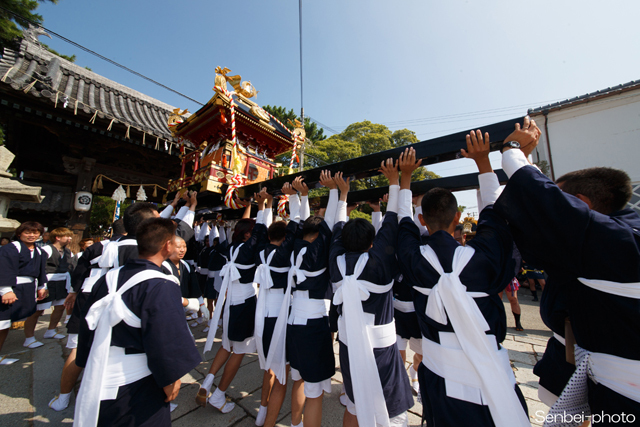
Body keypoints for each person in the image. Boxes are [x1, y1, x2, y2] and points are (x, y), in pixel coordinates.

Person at [493, 117, 640, 422]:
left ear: (581, 205)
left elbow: (549, 207)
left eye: (564, 201)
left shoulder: (623, 243)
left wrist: (513, 150)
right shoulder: (613, 236)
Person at [398, 138, 530, 427]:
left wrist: (404, 177)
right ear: (458, 217)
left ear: (423, 219)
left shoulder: (414, 260)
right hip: (491, 374)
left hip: (437, 375)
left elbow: (402, 223)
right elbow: (496, 218)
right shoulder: (481, 260)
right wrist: (484, 161)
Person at [74, 217, 201, 426]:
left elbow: (87, 324)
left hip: (98, 371)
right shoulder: (161, 283)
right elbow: (165, 337)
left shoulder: (109, 277)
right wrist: (170, 377)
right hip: (137, 380)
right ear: (167, 245)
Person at [48, 205, 159, 412]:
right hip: (123, 299)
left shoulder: (98, 247)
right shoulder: (144, 247)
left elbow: (80, 271)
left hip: (91, 294)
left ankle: (63, 397)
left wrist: (73, 291)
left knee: (78, 347)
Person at [330, 160, 414, 427]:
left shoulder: (335, 262)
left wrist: (343, 195)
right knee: (393, 410)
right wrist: (394, 180)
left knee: (355, 404)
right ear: (371, 242)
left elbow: (335, 229)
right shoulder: (378, 261)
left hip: (347, 344)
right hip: (381, 349)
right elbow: (391, 224)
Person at [198, 192, 268, 413]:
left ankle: (208, 381)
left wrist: (255, 206)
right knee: (239, 351)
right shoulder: (248, 250)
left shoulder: (232, 247)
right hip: (244, 303)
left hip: (230, 302)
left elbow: (251, 229)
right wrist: (262, 205)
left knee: (226, 345)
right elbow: (260, 231)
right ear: (248, 235)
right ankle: (218, 395)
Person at [281, 171, 338, 427]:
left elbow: (298, 222)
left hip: (294, 320)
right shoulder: (318, 249)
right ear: (318, 234)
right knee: (314, 392)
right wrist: (335, 191)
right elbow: (332, 222)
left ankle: (295, 424)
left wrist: (299, 197)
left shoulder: (293, 245)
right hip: (313, 323)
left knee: (299, 379)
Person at [252, 184, 297, 427]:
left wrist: (264, 206)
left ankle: (262, 410)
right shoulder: (284, 255)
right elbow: (295, 230)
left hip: (264, 312)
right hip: (282, 314)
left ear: (269, 237)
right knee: (282, 374)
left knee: (268, 368)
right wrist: (296, 199)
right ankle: (269, 420)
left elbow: (258, 231)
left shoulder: (260, 252)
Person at [0, 222, 48, 364]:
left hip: (28, 287)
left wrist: (42, 286)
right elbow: (4, 268)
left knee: (11, 321)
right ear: (20, 233)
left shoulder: (40, 251)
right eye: (28, 232)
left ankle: (28, 339)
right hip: (11, 288)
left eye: (35, 232)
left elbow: (41, 271)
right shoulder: (10, 249)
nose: (31, 235)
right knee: (2, 322)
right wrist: (6, 289)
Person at [23, 227, 77, 347]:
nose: (70, 238)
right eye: (67, 236)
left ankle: (51, 330)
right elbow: (37, 267)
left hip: (63, 281)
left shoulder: (68, 251)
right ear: (58, 237)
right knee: (38, 310)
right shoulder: (46, 249)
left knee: (60, 307)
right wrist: (41, 285)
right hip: (47, 281)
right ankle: (29, 338)